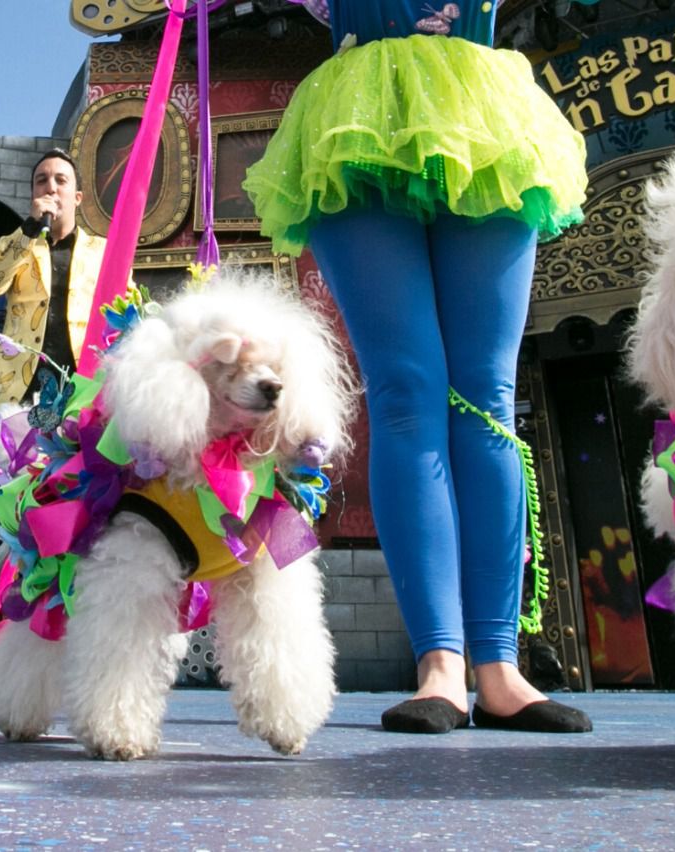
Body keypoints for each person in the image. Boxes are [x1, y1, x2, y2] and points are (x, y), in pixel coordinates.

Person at [244, 0, 592, 733]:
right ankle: (439, 663)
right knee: (406, 390)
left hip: (483, 111)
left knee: (487, 398)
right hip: (356, 118)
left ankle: (499, 666)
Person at [0, 148, 113, 409]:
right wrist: (29, 228)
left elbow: (124, 314)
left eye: (60, 180)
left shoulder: (104, 251)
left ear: (77, 198)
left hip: (82, 386)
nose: (50, 188)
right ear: (33, 194)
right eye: (42, 181)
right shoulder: (17, 244)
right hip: (18, 386)